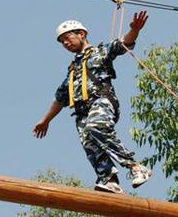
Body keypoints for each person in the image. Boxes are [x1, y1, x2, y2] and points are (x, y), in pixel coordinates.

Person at [32, 11, 152, 194]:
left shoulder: (100, 52)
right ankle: (109, 180)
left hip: (101, 101)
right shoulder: (73, 70)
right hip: (81, 112)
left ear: (81, 34)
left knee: (95, 126)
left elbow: (123, 44)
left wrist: (134, 30)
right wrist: (46, 120)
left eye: (67, 37)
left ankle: (135, 166)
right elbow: (60, 98)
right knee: (90, 142)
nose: (65, 43)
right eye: (62, 41)